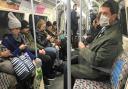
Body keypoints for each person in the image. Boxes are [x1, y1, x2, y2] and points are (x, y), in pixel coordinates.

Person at [64, 1, 123, 89]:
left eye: (105, 14)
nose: (102, 16)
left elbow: (97, 60)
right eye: (101, 13)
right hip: (94, 63)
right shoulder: (107, 28)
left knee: (67, 68)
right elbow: (97, 43)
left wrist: (83, 49)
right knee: (71, 58)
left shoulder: (113, 37)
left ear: (114, 16)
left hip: (99, 71)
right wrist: (87, 47)